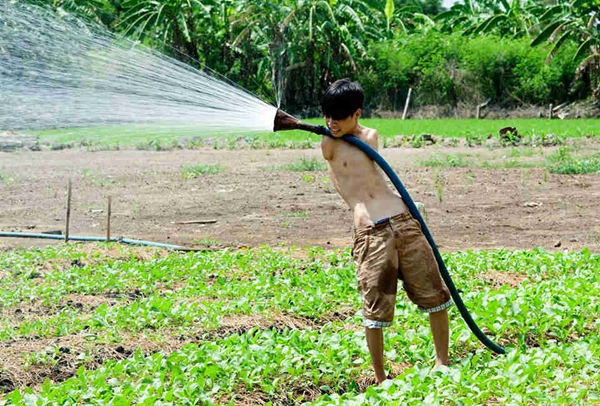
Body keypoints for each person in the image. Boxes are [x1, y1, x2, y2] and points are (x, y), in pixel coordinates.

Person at [320, 79, 453, 383]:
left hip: (402, 220)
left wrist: (348, 129)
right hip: (371, 231)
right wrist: (331, 128)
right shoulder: (328, 142)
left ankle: (441, 361)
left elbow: (363, 142)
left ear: (357, 113)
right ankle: (381, 378)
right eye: (327, 116)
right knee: (375, 305)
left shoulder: (369, 136)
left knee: (433, 290)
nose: (331, 123)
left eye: (339, 116)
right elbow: (331, 137)